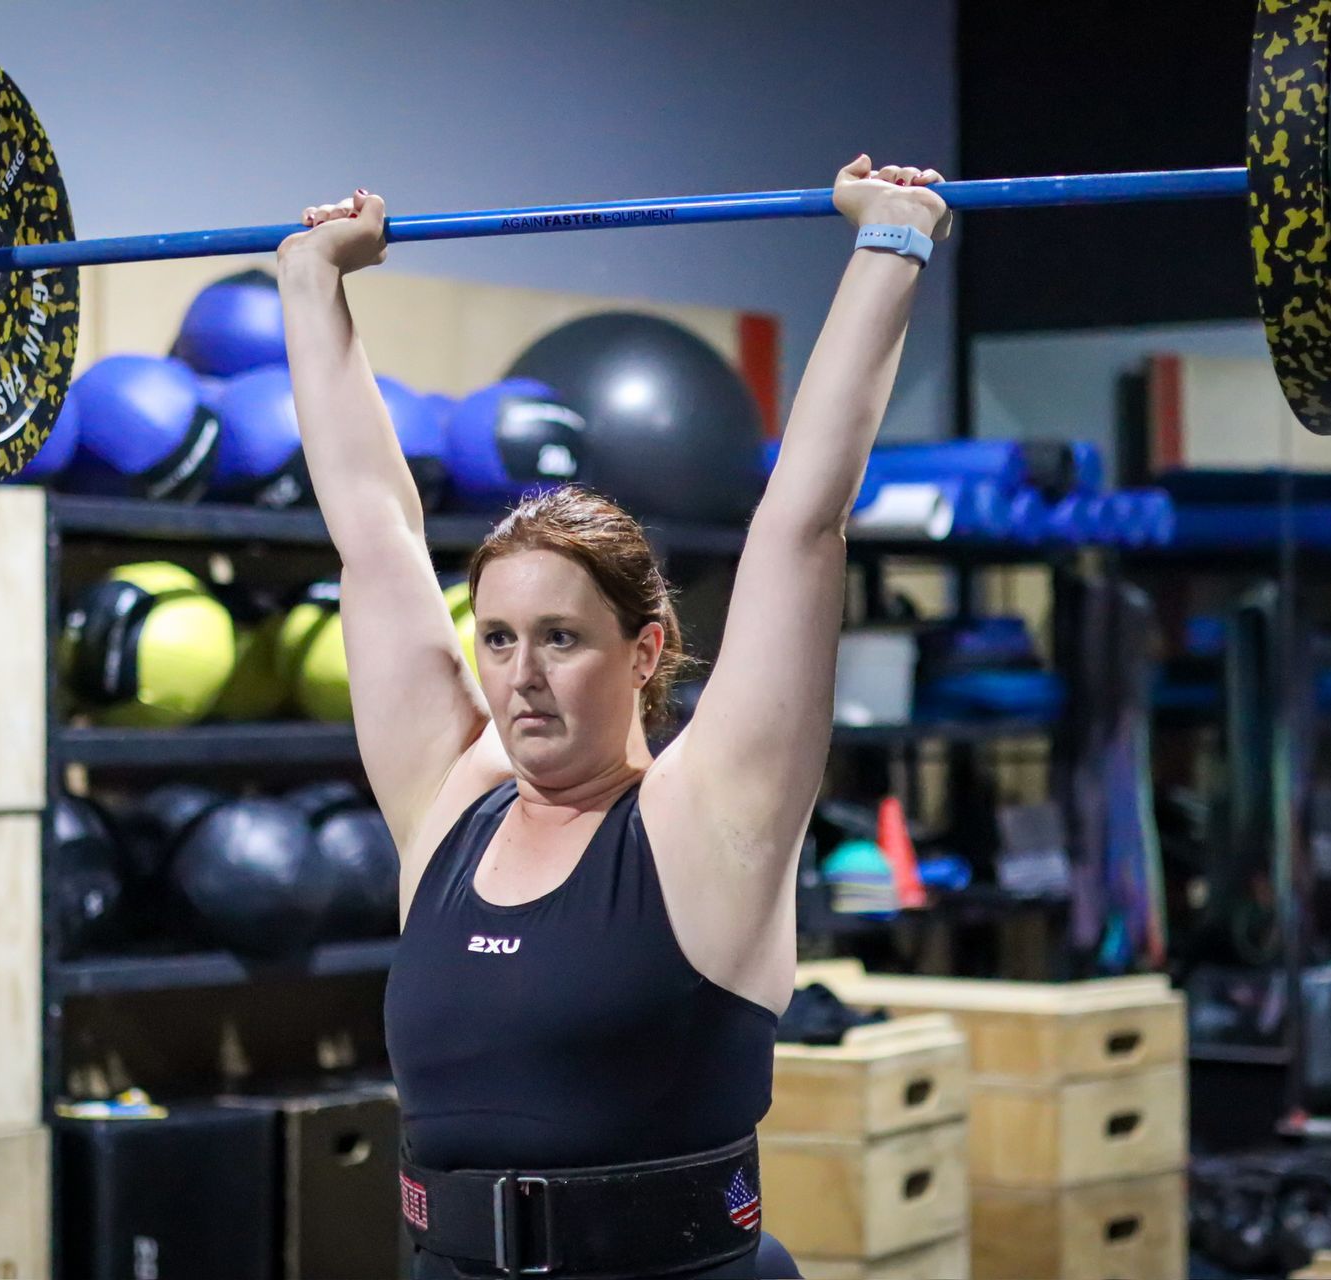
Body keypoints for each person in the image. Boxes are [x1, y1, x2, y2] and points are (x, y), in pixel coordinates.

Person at [275, 154, 951, 1280]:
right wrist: (311, 282)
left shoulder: (708, 821)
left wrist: (889, 244)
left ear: (644, 652)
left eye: (562, 638)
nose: (521, 674)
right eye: (497, 637)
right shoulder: (450, 804)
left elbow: (802, 524)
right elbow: (372, 529)